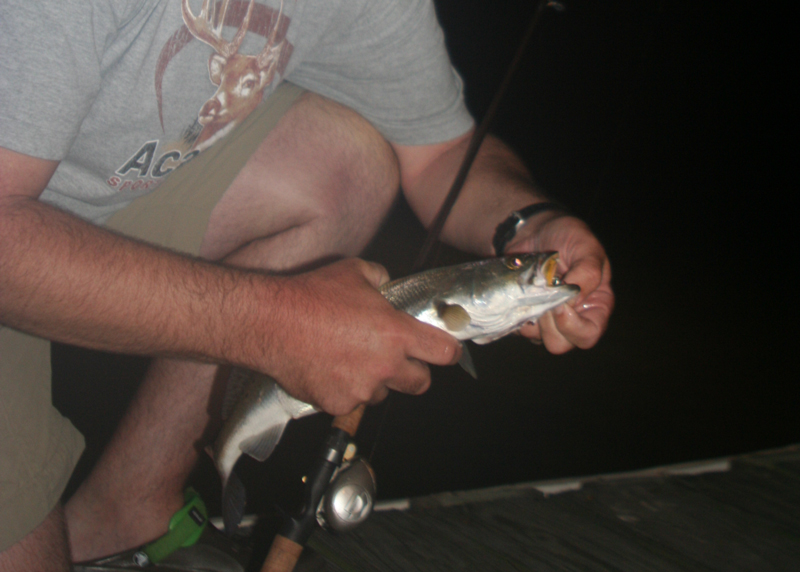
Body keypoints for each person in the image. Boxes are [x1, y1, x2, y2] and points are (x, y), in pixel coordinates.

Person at [0, 0, 614, 569]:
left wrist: (530, 225)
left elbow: (441, 154)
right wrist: (269, 320)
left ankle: (125, 513)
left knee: (344, 164)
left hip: (66, 193)